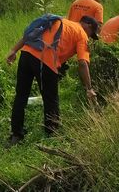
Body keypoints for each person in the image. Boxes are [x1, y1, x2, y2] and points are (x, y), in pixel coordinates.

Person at [5, 16, 99, 144]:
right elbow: (83, 63)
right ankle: (52, 134)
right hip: (45, 60)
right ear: (88, 25)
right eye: (91, 33)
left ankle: (16, 134)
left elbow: (30, 35)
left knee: (21, 96)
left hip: (26, 54)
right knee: (51, 98)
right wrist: (89, 88)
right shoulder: (82, 34)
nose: (89, 36)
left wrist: (14, 50)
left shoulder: (59, 20)